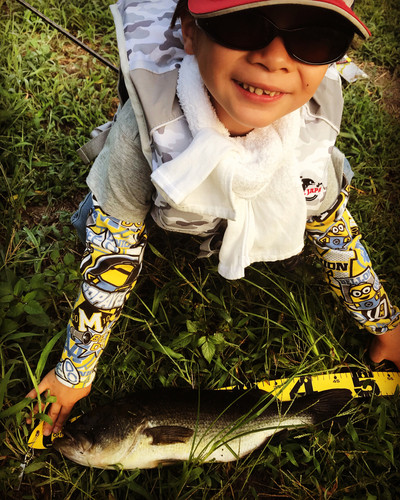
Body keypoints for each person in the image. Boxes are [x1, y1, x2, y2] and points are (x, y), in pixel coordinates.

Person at [26, 0, 400, 436]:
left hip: (254, 207)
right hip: (167, 217)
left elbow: (332, 229)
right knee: (99, 222)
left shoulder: (309, 135)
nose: (275, 58)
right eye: (243, 25)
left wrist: (386, 325)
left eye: (314, 37)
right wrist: (75, 371)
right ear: (189, 31)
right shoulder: (144, 130)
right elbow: (114, 250)